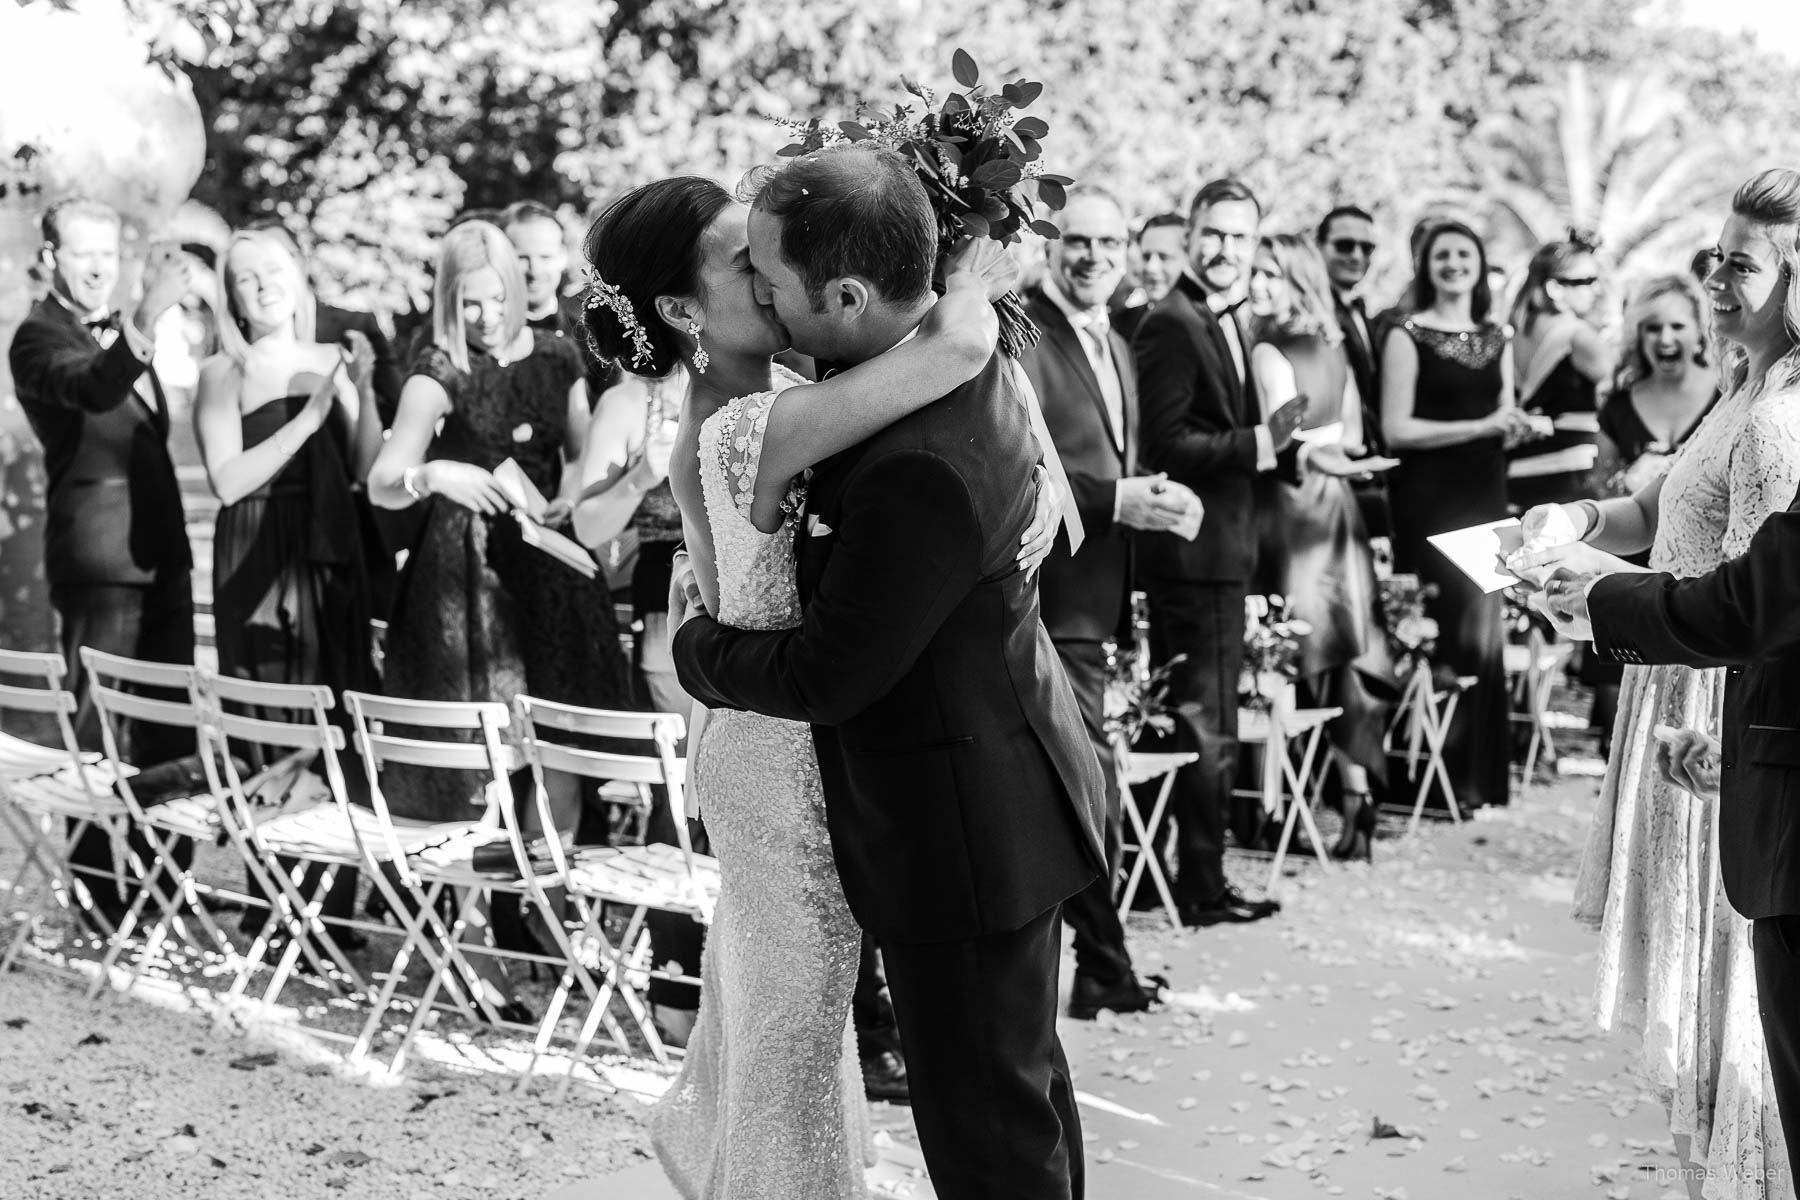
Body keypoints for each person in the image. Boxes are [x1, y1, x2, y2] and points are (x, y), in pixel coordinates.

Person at [667, 146, 1101, 1200]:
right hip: (973, 795)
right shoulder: (902, 366)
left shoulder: (915, 464)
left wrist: (694, 648)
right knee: (1018, 1100)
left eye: (770, 277)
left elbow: (827, 675)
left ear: (852, 296)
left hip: (960, 829)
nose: (764, 299)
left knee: (989, 1137)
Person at [1518, 168, 1800, 1200]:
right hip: (1679, 686)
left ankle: (1742, 1170)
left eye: (1742, 262)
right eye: (1712, 256)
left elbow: (1756, 608)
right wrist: (1582, 525)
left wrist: (1598, 594)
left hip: (1720, 701)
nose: (1717, 278)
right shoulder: (1745, 385)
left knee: (1732, 976)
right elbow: (1668, 501)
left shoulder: (1784, 420)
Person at [366, 219, 634, 1019]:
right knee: (483, 761)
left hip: (546, 571)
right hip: (467, 577)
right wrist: (433, 472)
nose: (485, 315)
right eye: (469, 301)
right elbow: (382, 480)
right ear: (450, 300)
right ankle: (474, 947)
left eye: (497, 298)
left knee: (561, 752)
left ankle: (551, 924)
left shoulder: (558, 357)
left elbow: (587, 451)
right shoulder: (436, 370)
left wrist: (573, 489)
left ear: (521, 287)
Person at [1018, 185, 1201, 1017]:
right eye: (1079, 241)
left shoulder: (1120, 340)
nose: (1093, 257)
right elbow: (1020, 462)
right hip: (1040, 593)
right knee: (1082, 779)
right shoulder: (1018, 330)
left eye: (1110, 243)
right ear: (1053, 244)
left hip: (1100, 595)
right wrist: (1113, 500)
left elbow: (1115, 457)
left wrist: (1155, 501)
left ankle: (1102, 961)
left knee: (1088, 776)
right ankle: (1100, 960)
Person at [9, 198, 198, 921]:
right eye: (85, 253)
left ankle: (165, 883)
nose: (99, 268)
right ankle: (100, 892)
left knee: (171, 724)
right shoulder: (35, 338)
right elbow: (92, 387)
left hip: (164, 556)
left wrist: (135, 325)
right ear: (52, 255)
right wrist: (146, 321)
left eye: (110, 256)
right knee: (101, 730)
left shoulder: (121, 331)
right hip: (99, 561)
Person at [194, 228, 383, 940]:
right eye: (247, 278)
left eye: (273, 270)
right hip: (257, 548)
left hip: (331, 554)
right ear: (233, 298)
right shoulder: (222, 372)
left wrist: (359, 393)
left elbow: (365, 468)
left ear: (299, 276)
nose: (264, 285)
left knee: (335, 708)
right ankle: (277, 907)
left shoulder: (336, 356)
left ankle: (331, 908)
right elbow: (227, 478)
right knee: (272, 712)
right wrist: (308, 417)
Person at [1133, 178, 1301, 926]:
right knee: (1204, 723)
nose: (1225, 249)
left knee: (1215, 720)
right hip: (1190, 556)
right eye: (1214, 234)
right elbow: (1164, 443)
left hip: (1224, 550)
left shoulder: (1230, 321)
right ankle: (1198, 886)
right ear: (1191, 233)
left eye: (1240, 237)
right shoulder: (1172, 321)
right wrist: (1262, 443)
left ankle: (1200, 875)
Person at [1247, 232, 1398, 859]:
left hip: (1292, 505)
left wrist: (1307, 446)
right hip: (1337, 506)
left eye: (1270, 275)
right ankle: (1356, 795)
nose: (1258, 286)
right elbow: (1355, 431)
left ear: (1294, 279)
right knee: (1343, 644)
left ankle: (1270, 808)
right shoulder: (1334, 345)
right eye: (1256, 274)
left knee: (1283, 647)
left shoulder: (1265, 347)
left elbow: (1281, 436)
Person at [1381, 220, 1534, 813]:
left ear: (1479, 263)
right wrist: (1485, 426)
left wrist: (1514, 427)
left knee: (1482, 634)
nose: (1452, 263)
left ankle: (1473, 780)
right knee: (1437, 630)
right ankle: (1423, 782)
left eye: (1463, 253)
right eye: (1441, 254)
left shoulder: (1500, 336)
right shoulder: (1406, 334)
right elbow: (1397, 429)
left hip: (1486, 496)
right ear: (1425, 264)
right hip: (1427, 500)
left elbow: (1503, 414)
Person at [1580, 276, 1718, 754]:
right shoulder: (1618, 404)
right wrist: (1628, 482)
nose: (1664, 338)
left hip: (1702, 570)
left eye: (1677, 325)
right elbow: (1599, 482)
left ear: (1700, 331)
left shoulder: (1726, 396)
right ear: (1637, 336)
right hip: (1632, 557)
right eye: (1651, 327)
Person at [1507, 234, 1615, 510]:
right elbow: (1622, 392)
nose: (1597, 290)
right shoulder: (1578, 337)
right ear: (1554, 288)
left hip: (1516, 475)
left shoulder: (1517, 334)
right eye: (1587, 281)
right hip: (1570, 476)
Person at [501, 200, 616, 402]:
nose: (534, 271)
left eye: (545, 257)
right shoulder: (480, 334)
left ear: (563, 257)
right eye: (522, 258)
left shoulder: (593, 333)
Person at [1112, 212, 1186, 343]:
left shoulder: (1210, 324)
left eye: (1164, 257)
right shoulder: (1114, 327)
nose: (1151, 268)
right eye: (1146, 257)